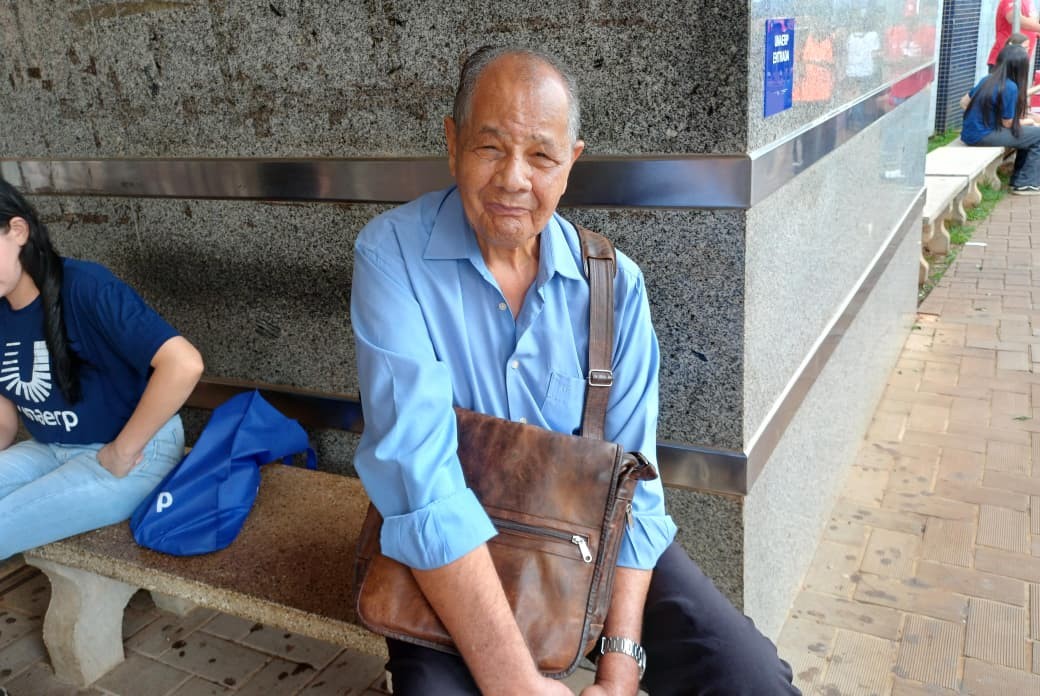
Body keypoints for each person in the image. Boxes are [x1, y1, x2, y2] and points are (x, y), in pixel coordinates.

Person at [350, 46, 801, 695]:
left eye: (540, 155)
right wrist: (516, 682)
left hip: (587, 533)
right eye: (489, 147)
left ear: (571, 164)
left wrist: (618, 665)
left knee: (750, 679)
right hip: (449, 547)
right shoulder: (391, 255)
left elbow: (635, 487)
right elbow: (420, 482)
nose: (513, 178)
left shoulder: (615, 286)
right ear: (451, 144)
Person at [0, 179, 204, 559]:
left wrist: (123, 451)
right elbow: (4, 426)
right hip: (49, 449)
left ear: (18, 231)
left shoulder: (85, 286)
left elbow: (184, 363)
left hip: (134, 453)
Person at [961, 44, 1040, 195]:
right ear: (1020, 67)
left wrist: (980, 116)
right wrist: (1031, 122)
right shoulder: (1010, 87)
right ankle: (1026, 182)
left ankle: (1020, 178)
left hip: (970, 133)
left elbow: (963, 102)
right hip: (982, 136)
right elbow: (1008, 123)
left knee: (1032, 134)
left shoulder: (987, 79)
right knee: (1037, 134)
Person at [987, 0, 1040, 69]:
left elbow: (1033, 24)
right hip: (1005, 61)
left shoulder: (1029, 1)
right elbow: (1015, 18)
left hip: (1021, 62)